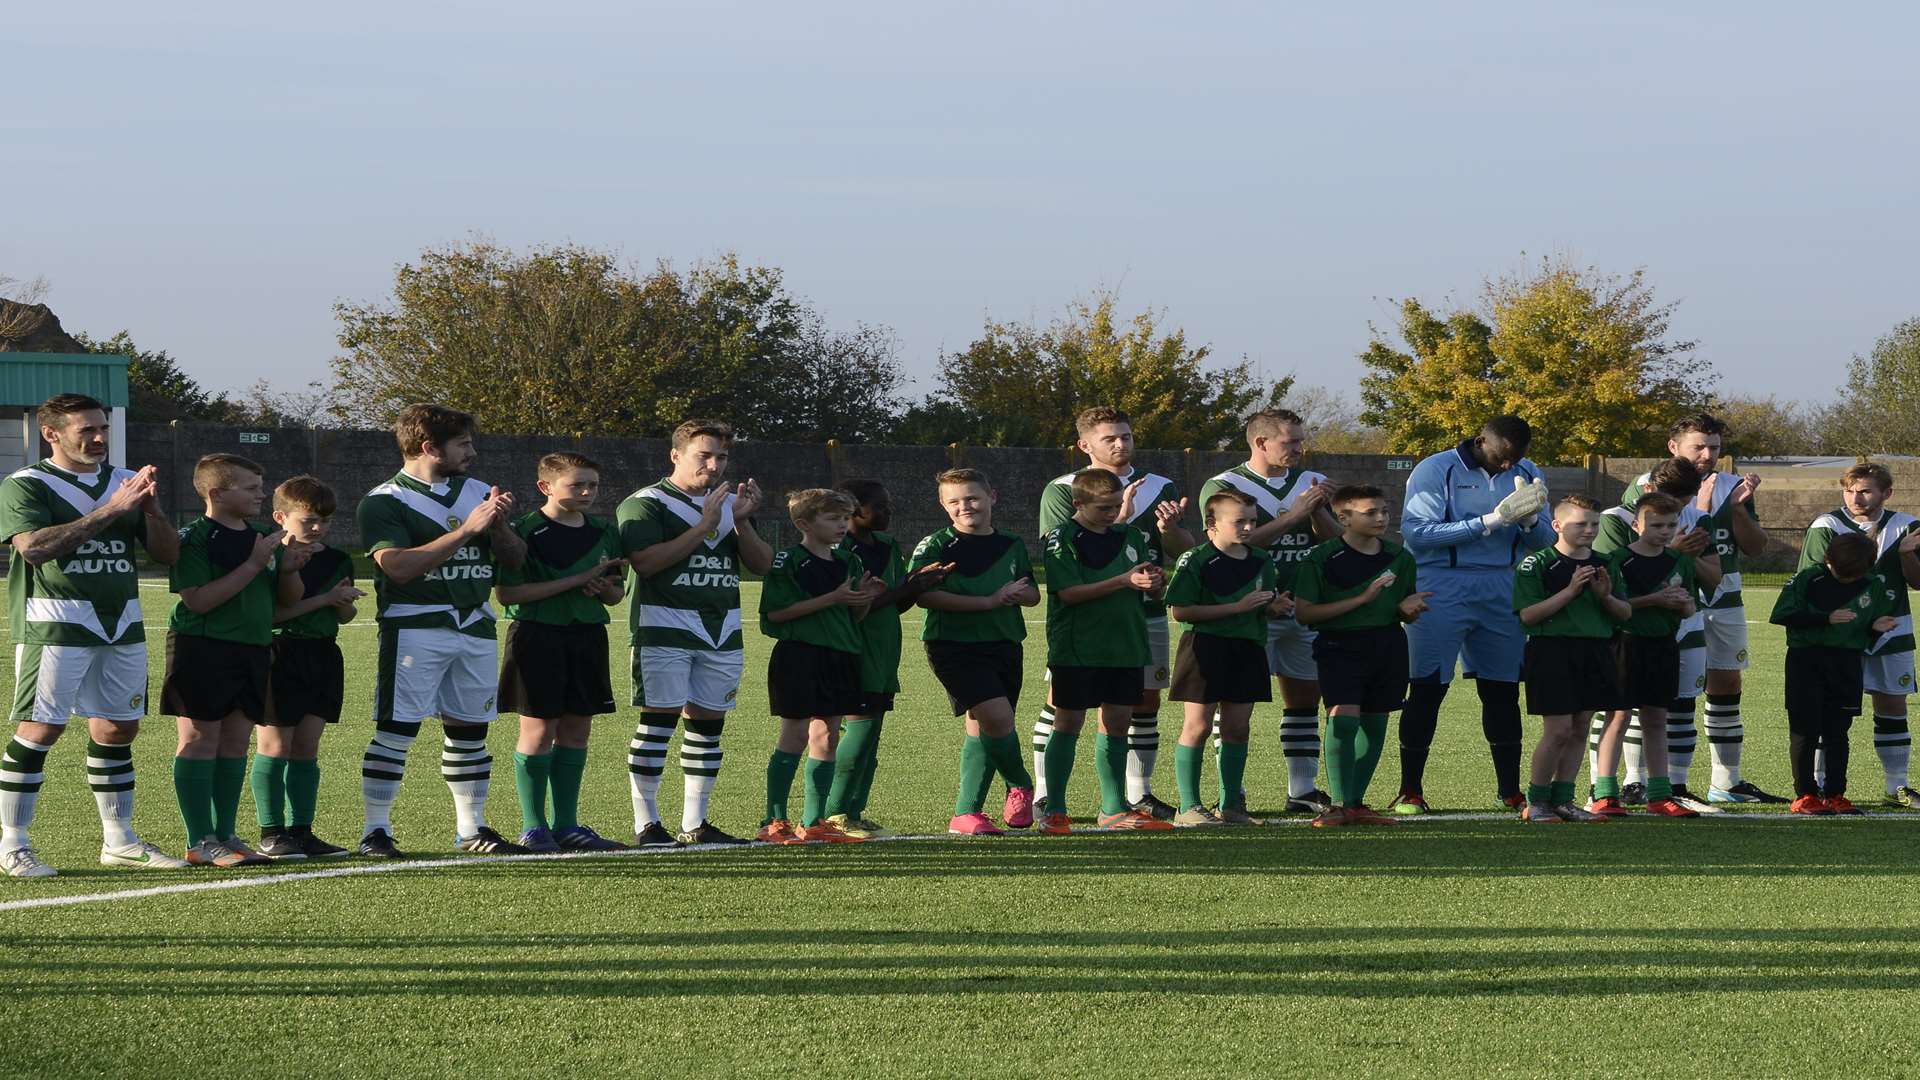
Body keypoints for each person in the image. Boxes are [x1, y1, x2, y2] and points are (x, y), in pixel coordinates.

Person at [0, 393, 186, 877]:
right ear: (52, 434)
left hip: (121, 621)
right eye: (87, 430)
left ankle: (119, 841)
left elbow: (168, 556)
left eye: (102, 428)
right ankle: (13, 845)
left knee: (117, 729)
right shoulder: (26, 484)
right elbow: (35, 549)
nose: (100, 438)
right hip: (55, 622)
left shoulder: (125, 481)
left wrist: (151, 510)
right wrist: (112, 509)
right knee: (41, 729)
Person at [356, 403, 528, 858]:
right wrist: (468, 529)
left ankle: (472, 829)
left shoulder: (475, 490)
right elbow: (397, 567)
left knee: (470, 731)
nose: (472, 452)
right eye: (463, 444)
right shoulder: (384, 500)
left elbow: (514, 560)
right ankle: (376, 831)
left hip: (474, 625)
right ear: (429, 448)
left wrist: (499, 527)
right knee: (397, 730)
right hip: (416, 625)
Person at [617, 419, 772, 847]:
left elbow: (761, 566)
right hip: (663, 626)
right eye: (704, 455)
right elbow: (645, 563)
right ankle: (646, 824)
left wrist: (741, 521)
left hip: (722, 629)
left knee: (708, 726)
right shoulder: (644, 503)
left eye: (721, 457)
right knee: (657, 725)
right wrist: (704, 526)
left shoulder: (726, 505)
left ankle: (696, 823)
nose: (714, 464)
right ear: (676, 455)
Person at [1033, 407, 1193, 819]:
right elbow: (1067, 578)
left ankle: (1124, 801)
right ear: (1085, 445)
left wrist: (1160, 563)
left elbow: (1171, 553)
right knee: (1066, 714)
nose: (1121, 444)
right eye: (1110, 438)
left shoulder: (1157, 491)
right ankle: (1049, 800)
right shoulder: (1062, 492)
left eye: (1126, 435)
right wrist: (1124, 579)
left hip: (1134, 628)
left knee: (1134, 710)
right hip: (1081, 635)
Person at [1396, 415, 1554, 812]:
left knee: (1502, 690)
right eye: (1501, 457)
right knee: (1428, 687)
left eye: (1514, 459)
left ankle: (1510, 790)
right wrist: (1491, 521)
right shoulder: (1435, 468)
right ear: (1481, 440)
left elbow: (1547, 540)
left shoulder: (1526, 470)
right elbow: (1418, 533)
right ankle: (1410, 789)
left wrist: (1531, 520)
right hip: (1440, 584)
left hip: (1502, 584)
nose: (1507, 466)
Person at [1619, 414, 1780, 804]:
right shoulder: (1645, 485)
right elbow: (1635, 540)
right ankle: (1637, 779)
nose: (1708, 455)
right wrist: (1699, 509)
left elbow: (1757, 547)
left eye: (1715, 448)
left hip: (1723, 594)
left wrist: (1738, 508)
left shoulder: (1732, 484)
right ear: (1673, 447)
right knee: (1657, 685)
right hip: (1671, 595)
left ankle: (1727, 782)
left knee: (1726, 683)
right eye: (1699, 446)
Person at [164, 454, 309, 866]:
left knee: (233, 742)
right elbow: (199, 600)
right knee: (198, 740)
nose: (261, 494)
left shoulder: (266, 534)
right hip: (201, 647)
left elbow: (288, 601)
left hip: (253, 648)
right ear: (216, 493)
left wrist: (289, 570)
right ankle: (199, 841)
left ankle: (225, 834)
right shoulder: (194, 538)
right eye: (250, 487)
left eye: (260, 486)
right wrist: (254, 564)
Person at [1198, 409, 1341, 813]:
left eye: (1299, 440)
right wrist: (1294, 515)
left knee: (1303, 699)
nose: (1299, 448)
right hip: (1249, 609)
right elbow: (1230, 546)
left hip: (1303, 603)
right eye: (1290, 442)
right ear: (1260, 443)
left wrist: (1317, 511)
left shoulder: (1308, 482)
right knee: (1235, 705)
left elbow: (1335, 543)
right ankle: (1231, 791)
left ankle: (1302, 789)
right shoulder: (1225, 485)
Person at [495, 452, 628, 853]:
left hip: (587, 636)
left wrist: (600, 587)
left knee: (576, 730)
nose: (587, 492)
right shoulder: (524, 530)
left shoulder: (605, 530)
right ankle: (534, 827)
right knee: (538, 731)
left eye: (593, 485)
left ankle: (567, 824)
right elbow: (508, 594)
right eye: (577, 485)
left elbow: (616, 594)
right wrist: (576, 580)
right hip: (537, 637)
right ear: (545, 487)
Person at [907, 468, 1040, 836]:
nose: (965, 506)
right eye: (955, 501)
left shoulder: (1011, 543)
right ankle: (1020, 783)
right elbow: (921, 595)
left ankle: (967, 814)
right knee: (997, 718)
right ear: (942, 505)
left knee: (983, 724)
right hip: (953, 646)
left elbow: (1032, 594)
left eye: (972, 498)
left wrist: (1018, 595)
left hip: (1004, 642)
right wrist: (988, 601)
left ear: (992, 496)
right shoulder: (934, 546)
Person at [1037, 469, 1170, 834]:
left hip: (1126, 644)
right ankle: (1055, 810)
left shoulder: (1129, 535)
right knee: (1068, 723)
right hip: (1077, 647)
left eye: (1117, 506)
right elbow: (1069, 593)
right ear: (1078, 504)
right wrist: (1123, 581)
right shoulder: (1060, 538)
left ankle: (1113, 807)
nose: (1113, 513)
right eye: (1105, 508)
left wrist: (1155, 584)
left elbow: (1149, 587)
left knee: (1117, 725)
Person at [1293, 485, 1430, 826]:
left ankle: (1355, 804)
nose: (1382, 518)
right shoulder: (1321, 557)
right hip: (1340, 646)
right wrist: (1362, 599)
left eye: (1384, 511)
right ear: (1344, 517)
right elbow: (1305, 613)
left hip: (1388, 646)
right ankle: (1338, 804)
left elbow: (1401, 606)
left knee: (1374, 723)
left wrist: (1408, 611)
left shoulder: (1401, 557)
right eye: (1371, 512)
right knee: (1343, 719)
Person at [822, 480, 951, 837]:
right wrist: (910, 586)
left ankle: (854, 810)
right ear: (854, 509)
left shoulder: (888, 545)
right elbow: (856, 603)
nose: (888, 512)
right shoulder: (837, 549)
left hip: (884, 648)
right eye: (880, 506)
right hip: (850, 645)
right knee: (859, 728)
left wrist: (919, 584)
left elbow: (894, 602)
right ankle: (834, 812)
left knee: (872, 732)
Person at [1589, 457, 1717, 811]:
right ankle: (1603, 792)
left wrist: (1681, 604)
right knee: (1617, 715)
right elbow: (1613, 604)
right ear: (1637, 523)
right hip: (1625, 642)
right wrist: (1656, 599)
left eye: (1671, 525)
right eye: (1656, 524)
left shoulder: (1681, 562)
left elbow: (1691, 606)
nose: (1664, 531)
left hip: (1664, 643)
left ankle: (1660, 795)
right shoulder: (1618, 559)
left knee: (1657, 718)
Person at [756, 489, 881, 845]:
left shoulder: (849, 562)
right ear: (803, 524)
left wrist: (864, 598)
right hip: (799, 655)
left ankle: (814, 821)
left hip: (840, 656)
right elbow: (776, 614)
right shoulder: (788, 561)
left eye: (845, 518)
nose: (842, 525)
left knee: (826, 736)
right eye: (832, 518)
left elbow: (853, 615)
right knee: (794, 734)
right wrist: (833, 598)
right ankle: (774, 820)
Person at [1798, 462, 1920, 806]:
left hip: (1893, 630)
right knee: (1831, 710)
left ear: (1887, 493)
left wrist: (1908, 555)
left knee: (1893, 706)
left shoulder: (1906, 526)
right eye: (1850, 491)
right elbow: (1812, 581)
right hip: (1842, 632)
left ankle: (1896, 786)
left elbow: (1918, 582)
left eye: (1865, 490)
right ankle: (1823, 785)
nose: (1856, 498)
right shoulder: (1827, 525)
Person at [1164, 492, 1288, 826]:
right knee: (1199, 725)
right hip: (1204, 646)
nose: (1248, 527)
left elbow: (1261, 603)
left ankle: (1232, 805)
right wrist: (1237, 607)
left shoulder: (1261, 559)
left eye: (1252, 521)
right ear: (1211, 524)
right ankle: (1189, 806)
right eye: (1239, 521)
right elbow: (1180, 610)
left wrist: (1273, 606)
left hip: (1248, 647)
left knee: (1237, 727)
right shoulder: (1195, 559)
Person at [256, 475, 363, 860]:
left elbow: (346, 615)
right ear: (280, 517)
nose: (318, 528)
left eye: (325, 521)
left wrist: (344, 602)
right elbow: (275, 614)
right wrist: (327, 600)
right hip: (280, 652)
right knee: (275, 745)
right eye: (308, 521)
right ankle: (271, 832)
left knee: (306, 746)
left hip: (323, 654)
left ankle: (302, 831)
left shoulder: (336, 558)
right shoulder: (269, 557)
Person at [1512, 495, 1629, 824]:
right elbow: (1529, 615)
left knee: (1580, 727)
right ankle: (1536, 802)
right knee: (1559, 729)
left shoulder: (1607, 562)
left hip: (1595, 649)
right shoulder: (1537, 563)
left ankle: (1564, 800)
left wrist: (1604, 596)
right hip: (1551, 650)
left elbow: (1624, 612)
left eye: (1594, 523)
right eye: (1580, 524)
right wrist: (1570, 591)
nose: (1589, 530)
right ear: (1558, 525)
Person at [1771, 532, 1898, 815]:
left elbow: (1869, 625)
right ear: (1829, 560)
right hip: (1806, 661)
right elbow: (1781, 614)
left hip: (1847, 663)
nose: (1848, 580)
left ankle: (1836, 794)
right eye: (1842, 574)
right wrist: (1824, 619)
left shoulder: (1872, 584)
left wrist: (1876, 626)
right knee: (1805, 731)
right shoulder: (1808, 578)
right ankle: (1805, 794)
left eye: (1854, 576)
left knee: (1838, 732)